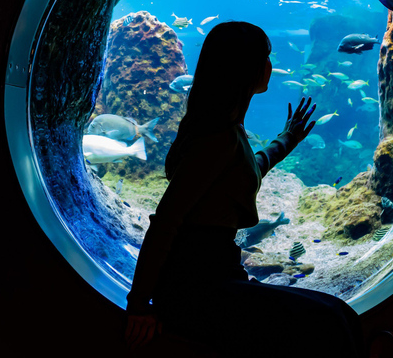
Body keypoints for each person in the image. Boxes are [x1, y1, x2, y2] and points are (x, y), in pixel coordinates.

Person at [124, 21, 365, 357]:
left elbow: (247, 168)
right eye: (265, 56)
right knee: (328, 323)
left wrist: (287, 139)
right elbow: (166, 221)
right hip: (197, 288)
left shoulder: (225, 130)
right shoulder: (217, 136)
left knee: (336, 313)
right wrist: (138, 305)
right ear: (242, 67)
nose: (271, 65)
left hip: (218, 274)